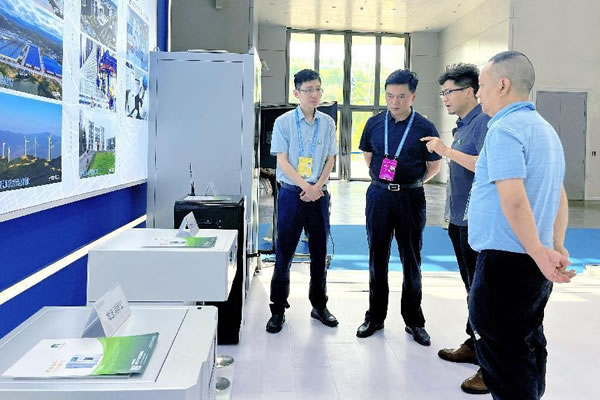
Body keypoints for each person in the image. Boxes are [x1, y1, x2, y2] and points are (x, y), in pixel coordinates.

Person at [468, 51, 576, 399]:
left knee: (503, 349)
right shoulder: (545, 130)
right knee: (527, 340)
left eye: (481, 85)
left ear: (503, 85)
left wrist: (540, 252)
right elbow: (559, 194)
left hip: (507, 262)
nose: (478, 93)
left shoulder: (505, 129)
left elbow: (513, 199)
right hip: (533, 260)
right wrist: (554, 246)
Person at [357, 69, 441, 345]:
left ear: (413, 96)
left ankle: (414, 320)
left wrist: (410, 183)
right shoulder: (374, 123)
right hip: (379, 196)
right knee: (377, 257)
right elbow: (369, 156)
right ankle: (375, 316)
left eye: (401, 96)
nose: (395, 101)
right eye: (390, 96)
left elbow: (434, 166)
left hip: (410, 198)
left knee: (411, 259)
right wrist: (385, 181)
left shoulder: (425, 127)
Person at [421, 63, 490, 394]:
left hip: (477, 222)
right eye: (443, 92)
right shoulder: (463, 125)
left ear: (470, 91)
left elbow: (486, 165)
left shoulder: (484, 123)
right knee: (470, 288)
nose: (445, 98)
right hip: (459, 219)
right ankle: (473, 344)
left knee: (482, 294)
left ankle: (490, 366)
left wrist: (446, 152)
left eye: (450, 92)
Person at [266, 69, 338, 333]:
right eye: (308, 90)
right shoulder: (283, 122)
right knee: (284, 253)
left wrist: (317, 187)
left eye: (318, 89)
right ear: (296, 92)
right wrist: (305, 186)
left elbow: (330, 158)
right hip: (291, 194)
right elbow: (282, 161)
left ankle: (319, 305)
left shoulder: (328, 123)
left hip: (319, 195)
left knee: (319, 253)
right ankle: (277, 309)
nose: (314, 94)